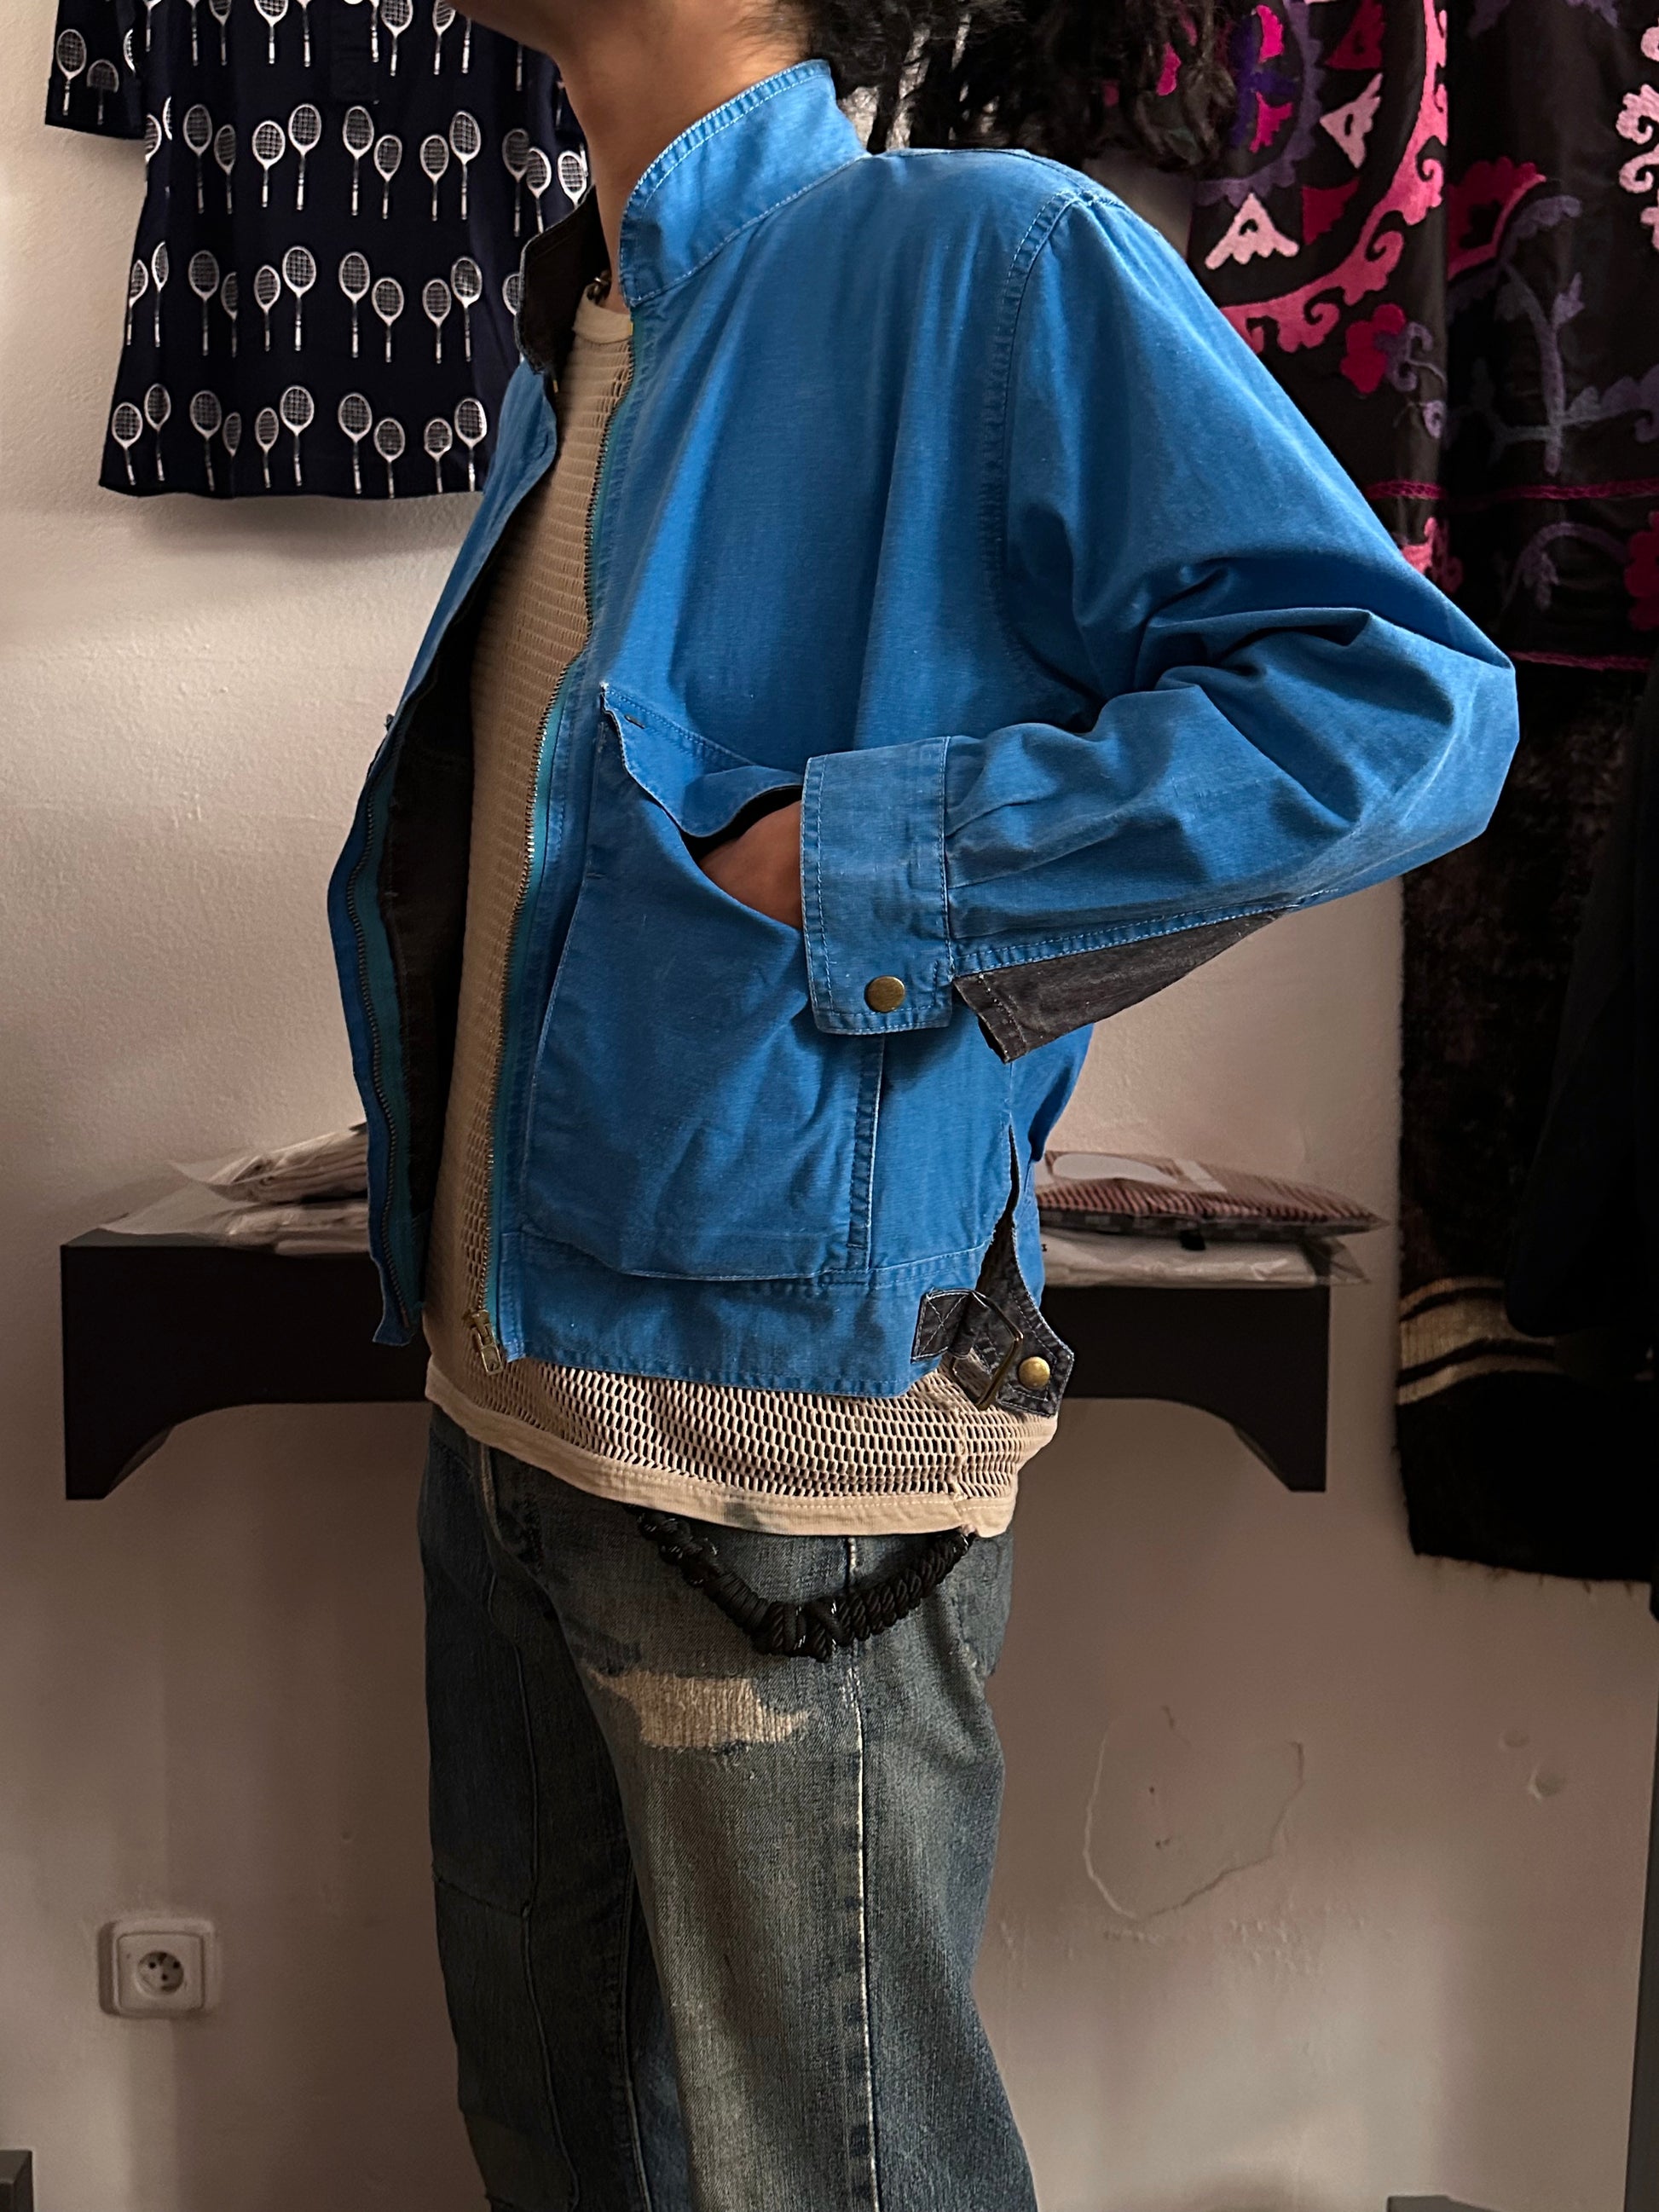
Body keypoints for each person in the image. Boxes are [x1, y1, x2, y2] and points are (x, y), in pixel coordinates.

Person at [327, 3, 1520, 2203]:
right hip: (500, 1414)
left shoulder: (985, 251)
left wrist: (867, 862)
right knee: (554, 2143)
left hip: (777, 1457)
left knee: (835, 2173)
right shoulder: (586, 314)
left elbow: (1398, 709)